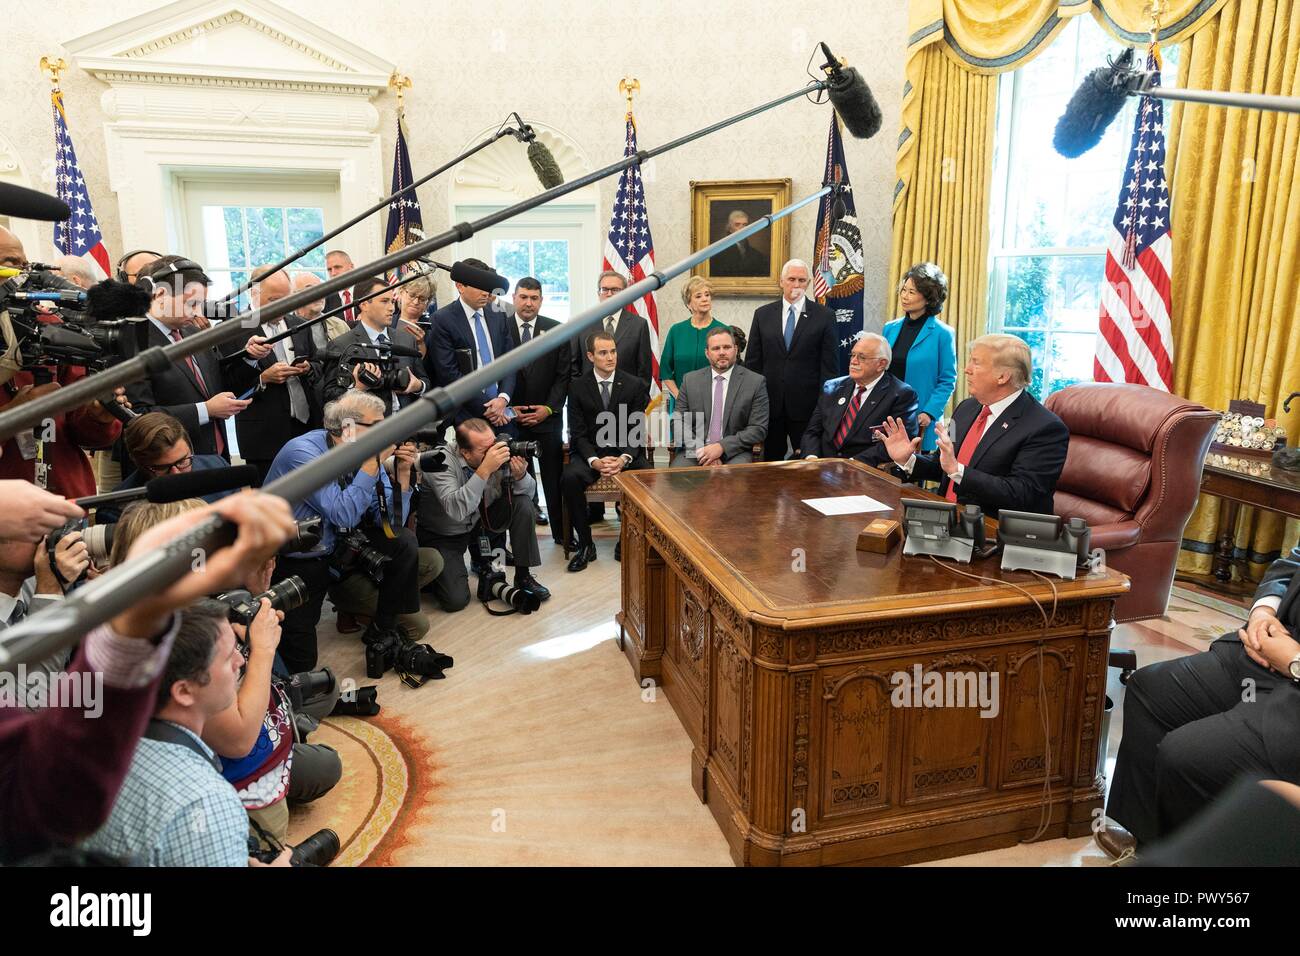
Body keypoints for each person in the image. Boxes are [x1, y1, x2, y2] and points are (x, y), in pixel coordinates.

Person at [0, 491, 297, 863]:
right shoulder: (203, 802)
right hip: (225, 783)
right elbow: (237, 739)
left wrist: (138, 615)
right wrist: (261, 650)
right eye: (206, 545)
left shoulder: (150, 618)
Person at [1096, 547, 1300, 859]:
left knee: (1185, 754)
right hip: (1270, 651)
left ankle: (1191, 859)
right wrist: (1264, 612)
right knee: (1150, 690)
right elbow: (1293, 560)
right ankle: (1150, 842)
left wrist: (1294, 662)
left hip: (1293, 687)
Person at [80, 601, 290, 866]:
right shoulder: (207, 802)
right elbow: (240, 743)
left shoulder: (97, 747)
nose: (240, 660)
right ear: (184, 691)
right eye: (227, 658)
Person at [264, 390, 436, 673]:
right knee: (302, 664)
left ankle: (379, 629)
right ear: (347, 428)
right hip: (299, 558)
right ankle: (347, 604)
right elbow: (341, 512)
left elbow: (389, 526)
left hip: (341, 549)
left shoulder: (363, 452)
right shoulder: (302, 453)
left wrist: (403, 477)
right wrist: (371, 464)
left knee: (406, 545)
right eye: (378, 426)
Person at [875, 334, 1068, 518]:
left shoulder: (1045, 428)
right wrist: (908, 459)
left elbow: (1022, 494)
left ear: (1002, 377)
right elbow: (942, 466)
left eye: (976, 362)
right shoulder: (966, 408)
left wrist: (957, 470)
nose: (967, 369)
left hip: (994, 532)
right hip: (946, 518)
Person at [0, 227, 127, 499]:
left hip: (65, 501)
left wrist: (98, 416)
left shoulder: (49, 327)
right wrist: (14, 413)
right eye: (10, 264)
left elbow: (88, 433)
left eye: (24, 264)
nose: (24, 275)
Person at [123, 256, 262, 460]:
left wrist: (249, 357)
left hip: (217, 457)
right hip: (170, 464)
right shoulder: (132, 341)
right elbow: (139, 415)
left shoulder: (193, 332)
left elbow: (219, 384)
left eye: (201, 304)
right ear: (160, 294)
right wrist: (206, 410)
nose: (198, 312)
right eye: (191, 303)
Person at [418, 418, 550, 609]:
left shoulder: (497, 451)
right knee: (455, 600)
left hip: (483, 525)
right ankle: (445, 572)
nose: (493, 452)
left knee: (522, 505)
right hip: (445, 535)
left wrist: (521, 476)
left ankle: (523, 576)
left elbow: (528, 495)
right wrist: (485, 469)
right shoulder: (439, 461)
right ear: (464, 452)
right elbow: (457, 510)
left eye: (493, 444)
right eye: (484, 451)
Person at [561, 331, 650, 572]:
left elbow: (637, 428)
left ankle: (626, 539)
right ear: (590, 356)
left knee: (648, 474)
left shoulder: (633, 384)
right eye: (603, 353)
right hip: (592, 454)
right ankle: (586, 544)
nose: (610, 357)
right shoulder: (577, 387)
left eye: (613, 351)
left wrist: (622, 458)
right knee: (569, 477)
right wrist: (595, 461)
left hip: (624, 452)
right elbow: (577, 433)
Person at [744, 258, 839, 460]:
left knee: (808, 465)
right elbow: (753, 363)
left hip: (808, 407)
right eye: (791, 279)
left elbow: (829, 367)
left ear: (809, 284)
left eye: (802, 280)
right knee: (770, 464)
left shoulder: (825, 316)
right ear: (781, 281)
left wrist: (824, 406)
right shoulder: (763, 315)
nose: (796, 285)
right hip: (770, 404)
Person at [506, 277, 569, 538]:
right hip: (510, 418)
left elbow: (563, 376)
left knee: (553, 480)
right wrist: (510, 409)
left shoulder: (556, 330)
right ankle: (521, 533)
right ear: (514, 299)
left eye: (534, 298)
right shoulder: (500, 329)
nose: (528, 303)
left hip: (547, 419)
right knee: (514, 478)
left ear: (541, 300)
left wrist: (548, 409)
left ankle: (561, 534)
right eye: (523, 297)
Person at [97, 412, 240, 525]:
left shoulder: (218, 468)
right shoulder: (117, 510)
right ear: (139, 463)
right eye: (163, 468)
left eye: (183, 461)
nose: (176, 474)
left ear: (190, 449)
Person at [802, 333, 919, 466]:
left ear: (881, 364)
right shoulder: (832, 387)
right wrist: (811, 458)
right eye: (852, 355)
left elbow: (897, 444)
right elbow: (813, 431)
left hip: (864, 470)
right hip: (822, 466)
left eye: (861, 357)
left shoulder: (901, 394)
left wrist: (852, 464)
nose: (853, 361)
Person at [426, 258, 516, 426]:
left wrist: (503, 399)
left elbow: (510, 361)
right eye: (479, 286)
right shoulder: (442, 319)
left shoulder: (498, 315)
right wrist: (489, 409)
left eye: (488, 286)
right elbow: (449, 374)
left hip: (503, 412)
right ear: (460, 286)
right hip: (467, 416)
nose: (486, 293)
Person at [321, 276, 428, 416]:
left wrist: (418, 386)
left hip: (407, 426)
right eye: (384, 301)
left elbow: (425, 381)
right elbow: (329, 396)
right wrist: (356, 389)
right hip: (367, 428)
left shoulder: (407, 339)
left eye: (392, 301)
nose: (391, 308)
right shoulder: (341, 345)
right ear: (364, 304)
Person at [882, 263, 957, 451]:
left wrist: (930, 412)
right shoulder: (890, 328)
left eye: (912, 292)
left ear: (928, 298)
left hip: (919, 416)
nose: (904, 296)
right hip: (886, 411)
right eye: (903, 290)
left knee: (912, 472)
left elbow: (947, 380)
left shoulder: (943, 333)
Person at [671, 326, 768, 467]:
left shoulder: (755, 382)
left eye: (727, 347)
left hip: (736, 452)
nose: (722, 352)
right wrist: (703, 451)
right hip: (697, 450)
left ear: (735, 350)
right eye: (716, 348)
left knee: (734, 478)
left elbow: (758, 428)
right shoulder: (690, 380)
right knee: (677, 477)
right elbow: (678, 422)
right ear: (707, 353)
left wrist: (720, 447)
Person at [659, 276, 727, 416]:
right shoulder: (676, 331)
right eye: (698, 296)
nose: (705, 299)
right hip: (680, 404)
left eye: (707, 295)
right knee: (683, 437)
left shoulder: (723, 331)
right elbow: (665, 371)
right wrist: (680, 398)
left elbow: (729, 370)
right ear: (688, 304)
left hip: (714, 403)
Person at [574, 270, 654, 383]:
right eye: (605, 289)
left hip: (627, 396)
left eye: (615, 290)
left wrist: (637, 398)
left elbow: (644, 371)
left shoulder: (639, 325)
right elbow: (574, 367)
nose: (609, 294)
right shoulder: (582, 323)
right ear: (598, 293)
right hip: (588, 396)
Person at [292, 271, 350, 348]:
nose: (318, 294)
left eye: (321, 288)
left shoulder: (339, 325)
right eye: (310, 289)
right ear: (294, 296)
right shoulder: (285, 329)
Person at [708, 209, 769, 277]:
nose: (742, 228)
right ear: (730, 228)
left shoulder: (757, 255)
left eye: (745, 224)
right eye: (737, 225)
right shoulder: (718, 253)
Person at [322, 249, 358, 324]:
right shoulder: (324, 298)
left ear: (351, 267)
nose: (333, 273)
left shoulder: (369, 289)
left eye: (337, 267)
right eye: (329, 269)